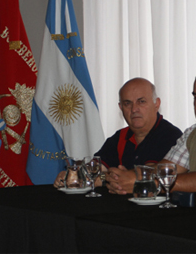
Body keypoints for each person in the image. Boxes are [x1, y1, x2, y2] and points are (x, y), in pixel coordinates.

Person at [106, 67, 196, 194]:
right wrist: (125, 178)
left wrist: (147, 183)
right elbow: (167, 168)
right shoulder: (194, 132)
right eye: (195, 97)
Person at [53, 78, 182, 188]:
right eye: (127, 103)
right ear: (121, 108)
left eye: (141, 102)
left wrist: (103, 177)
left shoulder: (170, 135)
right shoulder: (120, 136)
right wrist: (74, 175)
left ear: (156, 104)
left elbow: (147, 174)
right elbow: (95, 169)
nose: (134, 109)